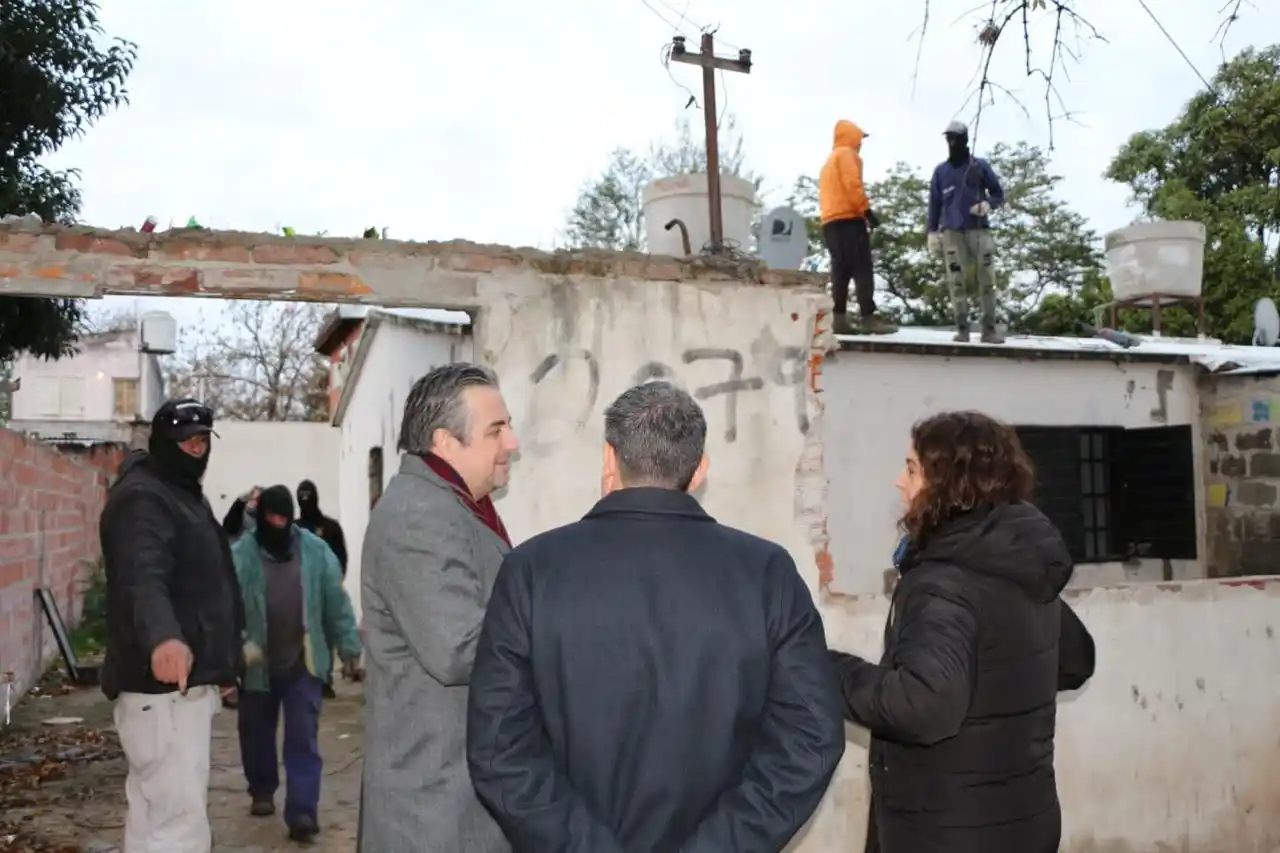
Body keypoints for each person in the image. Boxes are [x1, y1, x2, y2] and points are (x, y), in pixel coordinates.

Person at [467, 380, 846, 853]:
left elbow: (500, 749)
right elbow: (811, 739)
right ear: (700, 469)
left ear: (609, 460)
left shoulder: (531, 570)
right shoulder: (766, 573)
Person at [829, 410, 1096, 853]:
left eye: (912, 469)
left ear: (951, 483)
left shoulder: (945, 583)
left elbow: (921, 706)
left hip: (948, 833)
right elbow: (1074, 661)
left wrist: (826, 668)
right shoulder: (1018, 565)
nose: (899, 481)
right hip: (1023, 822)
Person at [357, 362, 519, 853]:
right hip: (434, 807)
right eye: (497, 430)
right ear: (446, 442)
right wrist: (556, 628)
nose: (511, 443)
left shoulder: (452, 505)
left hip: (455, 795)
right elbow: (457, 650)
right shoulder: (418, 516)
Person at [99, 397, 244, 853]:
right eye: (186, 440)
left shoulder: (176, 491)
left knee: (153, 821)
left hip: (176, 691)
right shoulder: (144, 498)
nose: (196, 449)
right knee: (177, 829)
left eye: (202, 439)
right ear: (163, 442)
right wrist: (164, 637)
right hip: (162, 695)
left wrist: (219, 664)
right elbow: (142, 575)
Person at [231, 485, 362, 844]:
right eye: (271, 518)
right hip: (256, 663)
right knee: (256, 733)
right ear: (261, 519)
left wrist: (349, 647)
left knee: (303, 738)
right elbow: (226, 609)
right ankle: (261, 788)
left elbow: (336, 603)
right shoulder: (241, 556)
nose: (278, 524)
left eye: (283, 519)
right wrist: (238, 648)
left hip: (303, 662)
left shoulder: (316, 553)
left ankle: (302, 811)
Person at [926, 121, 1007, 344]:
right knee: (956, 281)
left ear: (965, 140)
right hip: (951, 232)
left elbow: (998, 193)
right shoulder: (941, 172)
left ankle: (988, 330)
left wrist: (987, 205)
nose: (952, 143)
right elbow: (934, 203)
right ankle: (962, 329)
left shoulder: (979, 166)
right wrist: (931, 232)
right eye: (949, 138)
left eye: (956, 138)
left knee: (987, 280)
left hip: (979, 230)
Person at [818, 118, 897, 337]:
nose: (861, 144)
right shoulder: (847, 155)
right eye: (860, 139)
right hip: (849, 219)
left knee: (840, 270)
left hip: (830, 222)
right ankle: (868, 318)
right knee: (862, 268)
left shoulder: (829, 161)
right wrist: (867, 212)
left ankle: (839, 318)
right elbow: (853, 185)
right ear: (851, 137)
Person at [295, 479, 349, 699]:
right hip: (301, 592)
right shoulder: (295, 528)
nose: (305, 499)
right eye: (302, 495)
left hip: (326, 591)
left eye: (308, 495)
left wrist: (334, 582)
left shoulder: (330, 527)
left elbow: (340, 556)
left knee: (327, 635)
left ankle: (325, 678)